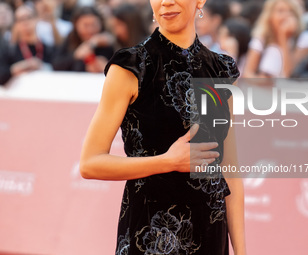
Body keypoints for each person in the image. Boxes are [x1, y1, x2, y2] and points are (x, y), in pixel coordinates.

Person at [79, 0, 246, 254]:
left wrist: (241, 251)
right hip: (150, 234)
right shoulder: (131, 66)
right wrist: (168, 161)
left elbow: (231, 174)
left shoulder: (221, 70)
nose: (166, 2)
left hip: (211, 234)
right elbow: (90, 163)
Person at [243, 0, 304, 78]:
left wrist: (284, 38)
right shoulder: (261, 39)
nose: (286, 15)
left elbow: (290, 75)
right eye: (280, 11)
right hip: (264, 88)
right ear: (270, 15)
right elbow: (247, 73)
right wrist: (263, 81)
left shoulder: (303, 39)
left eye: (291, 11)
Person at [0, 5, 54, 85]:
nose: (25, 22)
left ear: (36, 19)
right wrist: (15, 69)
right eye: (20, 19)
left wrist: (42, 66)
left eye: (28, 17)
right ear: (16, 24)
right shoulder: (9, 51)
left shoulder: (49, 48)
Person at [52, 6, 114, 73]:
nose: (90, 30)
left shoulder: (106, 42)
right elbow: (55, 64)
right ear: (76, 25)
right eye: (85, 25)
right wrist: (75, 55)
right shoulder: (71, 39)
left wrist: (107, 66)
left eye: (94, 25)